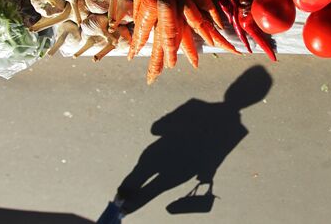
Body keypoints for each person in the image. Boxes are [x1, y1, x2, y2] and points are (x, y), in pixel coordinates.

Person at [97, 66, 272, 222]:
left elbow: (156, 128)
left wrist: (181, 128)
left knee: (135, 179)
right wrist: (206, 174)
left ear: (232, 86)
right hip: (185, 168)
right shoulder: (237, 130)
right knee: (152, 191)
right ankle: (119, 214)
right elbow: (214, 159)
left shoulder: (196, 106)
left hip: (160, 153)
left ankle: (116, 208)